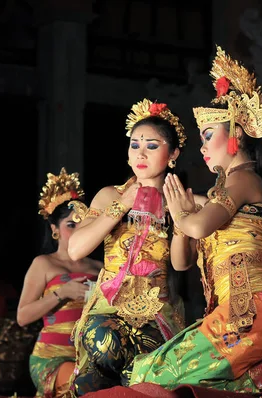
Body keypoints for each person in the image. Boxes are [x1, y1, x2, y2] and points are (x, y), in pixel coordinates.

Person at [129, 45, 262, 393]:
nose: (203, 148)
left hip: (254, 309)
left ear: (235, 134)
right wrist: (184, 216)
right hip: (240, 313)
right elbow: (181, 261)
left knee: (152, 375)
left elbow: (198, 225)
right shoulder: (225, 191)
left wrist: (182, 213)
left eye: (208, 136)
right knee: (175, 377)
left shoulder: (243, 178)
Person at [66, 99, 188, 395]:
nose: (141, 153)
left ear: (173, 155)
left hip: (156, 313)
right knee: (105, 349)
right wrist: (122, 204)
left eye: (152, 145)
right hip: (108, 310)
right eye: (135, 145)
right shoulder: (110, 195)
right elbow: (76, 250)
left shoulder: (182, 201)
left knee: (146, 380)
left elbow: (182, 264)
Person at [17, 167, 103, 398]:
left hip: (92, 356)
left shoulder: (99, 268)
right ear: (55, 229)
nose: (77, 230)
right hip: (51, 357)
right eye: (70, 225)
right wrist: (62, 292)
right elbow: (22, 316)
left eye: (81, 223)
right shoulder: (44, 264)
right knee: (82, 383)